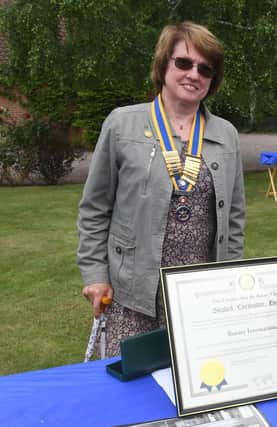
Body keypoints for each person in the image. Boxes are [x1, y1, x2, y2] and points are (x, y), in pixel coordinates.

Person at [77, 22, 245, 357]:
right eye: (183, 63)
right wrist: (95, 274)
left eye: (205, 69)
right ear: (163, 65)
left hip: (199, 295)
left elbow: (235, 219)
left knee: (195, 388)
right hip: (132, 293)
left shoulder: (226, 134)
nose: (193, 74)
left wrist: (230, 279)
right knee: (132, 393)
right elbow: (95, 208)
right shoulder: (122, 124)